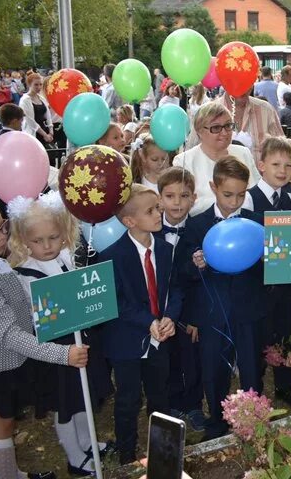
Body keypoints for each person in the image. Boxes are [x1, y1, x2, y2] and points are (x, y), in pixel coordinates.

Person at [0, 199, 89, 479]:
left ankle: (12, 472)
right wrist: (62, 355)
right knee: (0, 428)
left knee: (4, 424)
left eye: (2, 227)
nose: (2, 235)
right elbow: (9, 334)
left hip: (8, 364)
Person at [8, 192, 113, 476]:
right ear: (24, 240)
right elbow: (37, 315)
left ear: (63, 232)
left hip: (81, 340)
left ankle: (86, 440)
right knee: (65, 403)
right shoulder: (26, 273)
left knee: (82, 395)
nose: (46, 246)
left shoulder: (67, 256)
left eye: (53, 237)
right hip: (58, 350)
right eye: (37, 241)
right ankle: (74, 456)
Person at [174, 157, 267, 439]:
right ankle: (217, 420)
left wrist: (265, 255)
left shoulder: (255, 223)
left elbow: (269, 267)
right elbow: (182, 272)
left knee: (252, 368)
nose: (234, 201)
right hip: (212, 314)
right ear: (213, 187)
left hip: (248, 310)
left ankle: (252, 421)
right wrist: (195, 263)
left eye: (241, 194)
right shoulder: (197, 225)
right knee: (213, 371)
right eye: (228, 194)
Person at [98, 184, 181, 464]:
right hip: (127, 341)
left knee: (160, 394)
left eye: (158, 207)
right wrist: (149, 322)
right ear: (129, 221)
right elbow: (117, 302)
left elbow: (176, 288)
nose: (160, 213)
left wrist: (170, 316)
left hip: (160, 337)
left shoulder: (167, 249)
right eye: (151, 210)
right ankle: (126, 455)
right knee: (128, 400)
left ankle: (164, 452)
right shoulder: (111, 256)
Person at [244, 137, 291, 407]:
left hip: (286, 280)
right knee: (261, 334)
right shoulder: (249, 197)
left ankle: (285, 383)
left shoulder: (290, 196)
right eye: (275, 164)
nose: (282, 171)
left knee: (286, 331)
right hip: (258, 281)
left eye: (288, 165)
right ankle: (255, 385)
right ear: (261, 165)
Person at [152, 167, 206, 432]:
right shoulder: (150, 229)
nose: (177, 202)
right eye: (170, 196)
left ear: (193, 198)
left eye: (184, 196)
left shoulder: (199, 230)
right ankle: (172, 403)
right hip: (157, 310)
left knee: (192, 358)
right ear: (159, 198)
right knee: (166, 360)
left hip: (189, 310)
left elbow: (201, 283)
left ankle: (194, 403)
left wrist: (195, 318)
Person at [172, 102, 261, 216]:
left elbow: (258, 194)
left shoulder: (244, 153)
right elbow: (183, 204)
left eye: (228, 125)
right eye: (216, 128)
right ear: (199, 131)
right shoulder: (184, 161)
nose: (224, 133)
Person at [212, 90, 284, 169]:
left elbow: (283, 151)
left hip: (261, 178)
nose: (243, 87)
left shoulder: (266, 110)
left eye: (247, 81)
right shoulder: (208, 113)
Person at [19, 73, 54, 145]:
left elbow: (48, 115)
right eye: (36, 85)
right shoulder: (25, 100)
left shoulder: (41, 98)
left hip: (44, 130)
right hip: (32, 133)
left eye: (41, 84)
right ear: (29, 85)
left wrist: (51, 131)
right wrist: (45, 134)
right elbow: (30, 121)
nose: (39, 87)